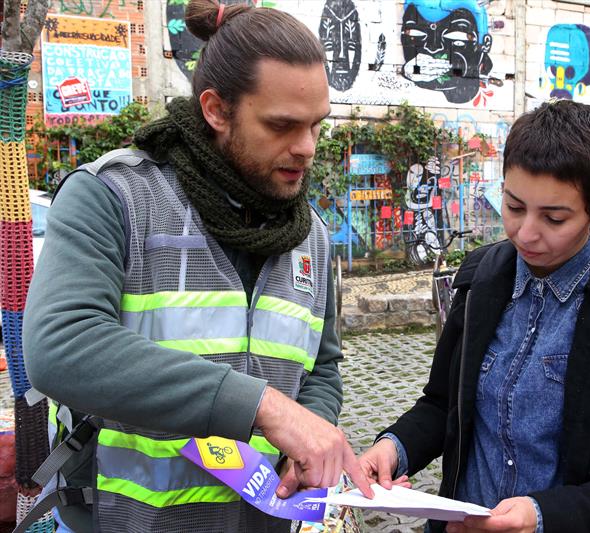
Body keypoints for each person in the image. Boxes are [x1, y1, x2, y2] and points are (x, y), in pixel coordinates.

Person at [22, 1, 372, 531]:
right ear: (216, 110)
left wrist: (310, 434)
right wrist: (267, 410)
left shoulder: (312, 236)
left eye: (315, 125)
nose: (306, 148)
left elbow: (321, 368)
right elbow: (61, 346)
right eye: (281, 126)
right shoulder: (113, 198)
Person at [359, 100, 590, 533]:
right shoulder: (479, 281)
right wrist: (392, 448)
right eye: (514, 206)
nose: (525, 232)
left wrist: (540, 517)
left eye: (554, 217)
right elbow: (443, 404)